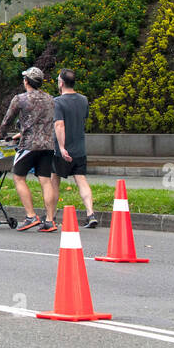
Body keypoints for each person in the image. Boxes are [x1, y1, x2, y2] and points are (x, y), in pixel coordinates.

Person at [0, 66, 58, 232]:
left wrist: (0, 135)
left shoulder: (20, 99)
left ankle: (31, 216)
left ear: (27, 81)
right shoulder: (50, 99)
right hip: (48, 144)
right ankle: (50, 220)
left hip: (29, 145)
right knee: (45, 180)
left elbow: (8, 119)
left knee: (19, 177)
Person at [51, 68, 98, 229]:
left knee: (54, 181)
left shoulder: (57, 102)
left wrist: (62, 147)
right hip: (79, 149)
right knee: (81, 179)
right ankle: (90, 213)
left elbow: (59, 124)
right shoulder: (84, 100)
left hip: (60, 150)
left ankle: (52, 216)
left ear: (62, 83)